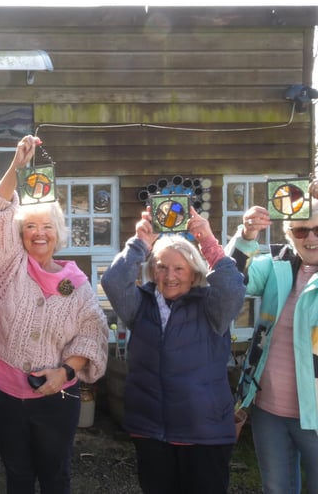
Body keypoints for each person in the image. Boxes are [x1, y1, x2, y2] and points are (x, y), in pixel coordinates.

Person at [0, 135, 109, 494]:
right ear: (19, 235)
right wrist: (16, 166)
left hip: (58, 394)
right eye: (31, 226)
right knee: (18, 476)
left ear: (58, 233)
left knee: (56, 477)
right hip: (3, 391)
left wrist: (65, 370)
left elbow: (92, 332)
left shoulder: (75, 283)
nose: (40, 233)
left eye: (47, 226)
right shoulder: (9, 264)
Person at [101, 205, 246, 494]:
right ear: (152, 270)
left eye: (179, 268)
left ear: (193, 273)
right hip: (152, 431)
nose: (170, 276)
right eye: (162, 267)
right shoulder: (139, 305)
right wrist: (141, 242)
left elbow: (232, 287)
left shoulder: (211, 308)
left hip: (204, 433)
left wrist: (207, 241)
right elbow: (114, 280)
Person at [224, 197, 318, 494]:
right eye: (302, 231)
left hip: (315, 413)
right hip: (270, 409)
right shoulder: (277, 266)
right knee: (277, 489)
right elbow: (231, 280)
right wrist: (247, 235)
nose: (311, 238)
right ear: (289, 234)